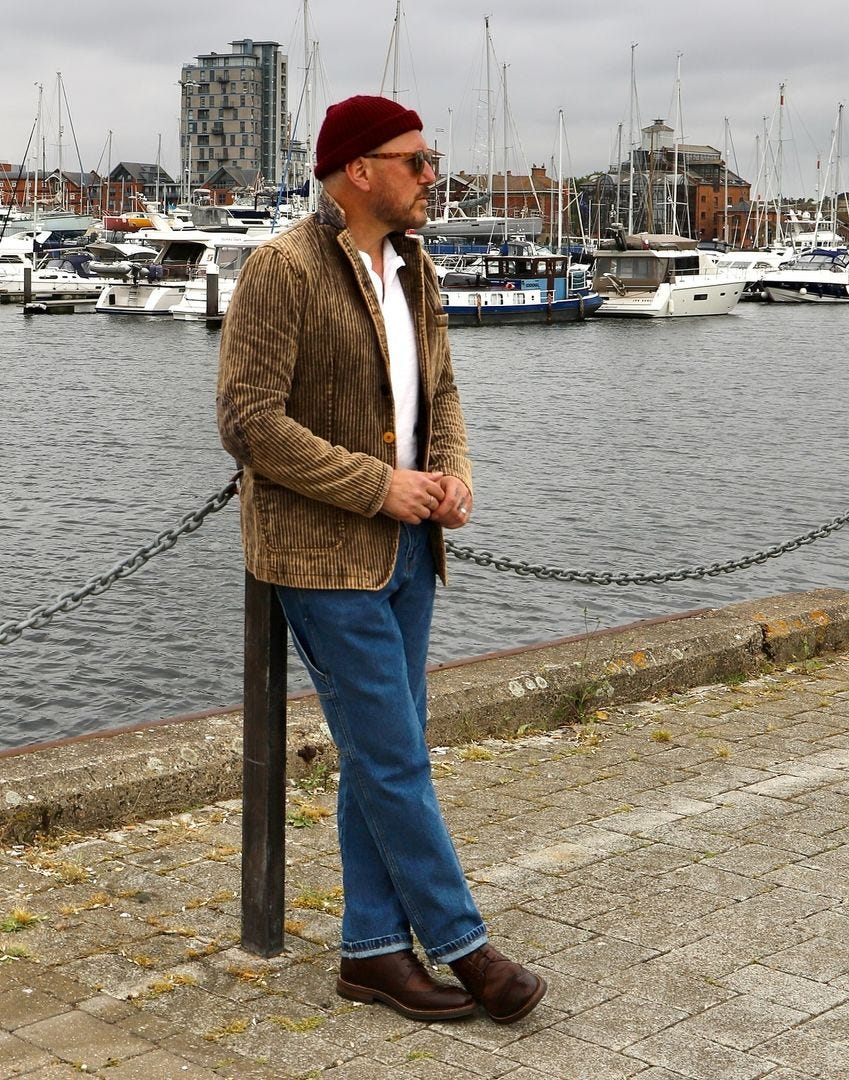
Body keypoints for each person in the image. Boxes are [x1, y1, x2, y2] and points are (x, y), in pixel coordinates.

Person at [216, 95, 546, 1025]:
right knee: (396, 758)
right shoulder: (282, 270)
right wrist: (380, 486)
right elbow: (250, 423)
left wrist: (452, 476)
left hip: (409, 547)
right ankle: (466, 948)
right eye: (416, 159)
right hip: (320, 554)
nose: (431, 175)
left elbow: (440, 388)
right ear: (359, 171)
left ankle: (369, 953)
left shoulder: (415, 266)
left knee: (379, 756)